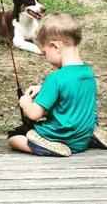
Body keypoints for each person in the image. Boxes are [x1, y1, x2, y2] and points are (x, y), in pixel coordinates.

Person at [7, 12, 106, 157]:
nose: (46, 57)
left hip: (60, 137)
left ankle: (47, 147)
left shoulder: (55, 79)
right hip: (80, 140)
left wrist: (25, 102)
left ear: (55, 46)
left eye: (45, 52)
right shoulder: (88, 73)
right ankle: (91, 138)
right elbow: (72, 93)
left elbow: (34, 114)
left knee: (14, 137)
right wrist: (43, 89)